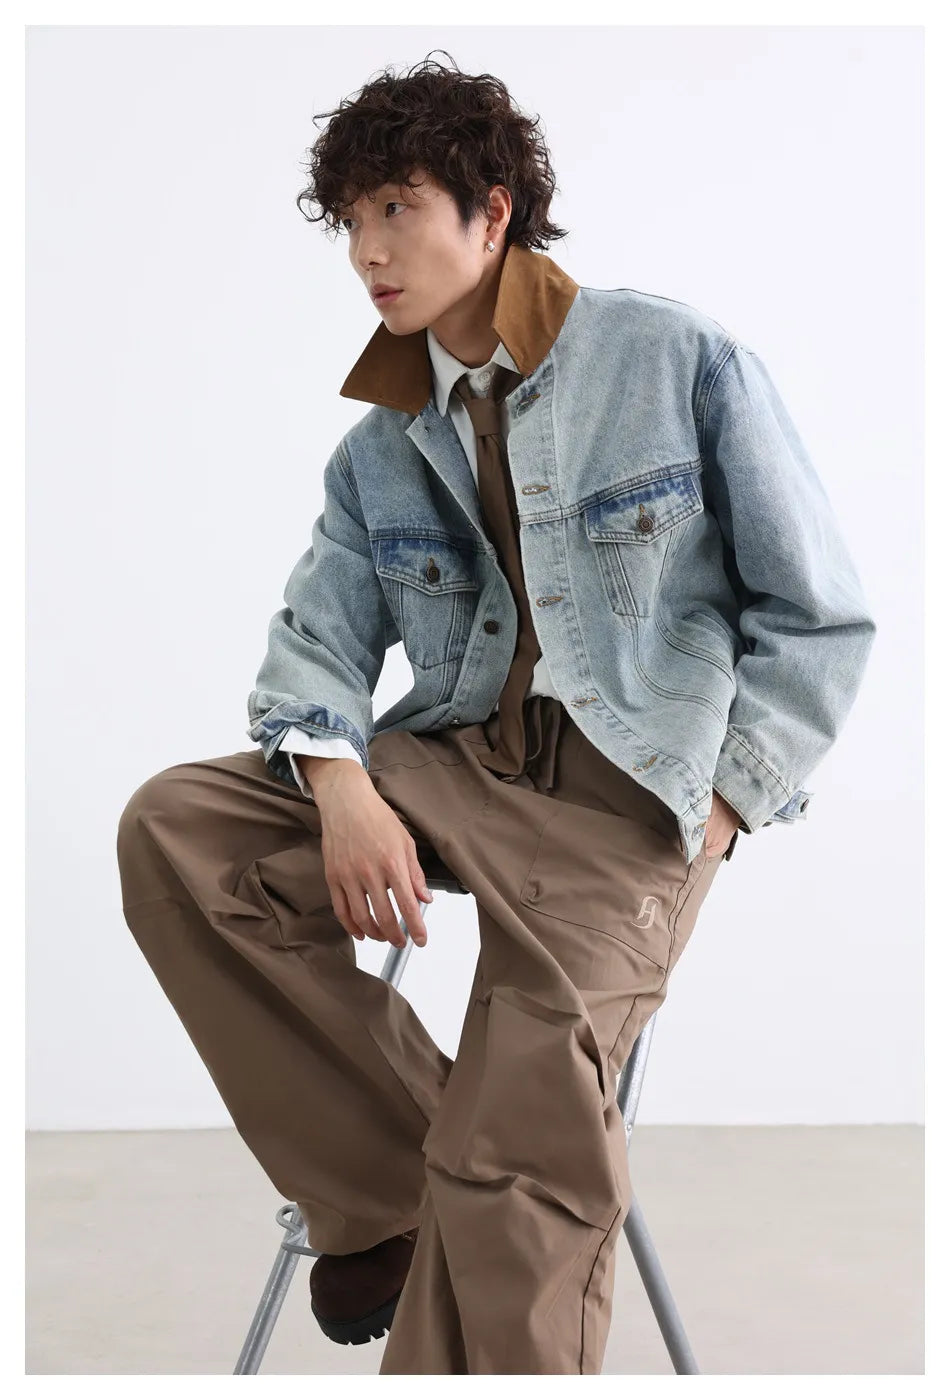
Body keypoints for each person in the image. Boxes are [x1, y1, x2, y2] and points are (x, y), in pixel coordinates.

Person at [115, 51, 876, 1374]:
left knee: (517, 1146)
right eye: (352, 220)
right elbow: (318, 637)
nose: (369, 250)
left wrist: (726, 798)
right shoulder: (379, 443)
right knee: (180, 831)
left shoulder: (670, 358)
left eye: (397, 207)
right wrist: (342, 787)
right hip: (458, 763)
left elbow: (818, 614)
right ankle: (395, 1189)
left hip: (629, 803)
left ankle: (466, 1197)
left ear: (494, 210)